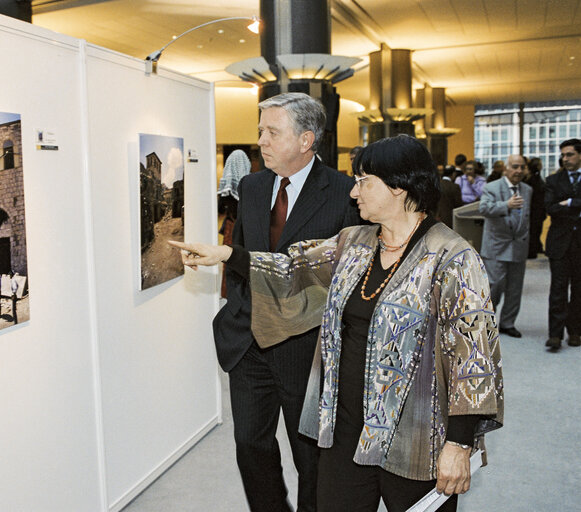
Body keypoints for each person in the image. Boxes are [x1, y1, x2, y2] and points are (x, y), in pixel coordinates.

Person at [171, 134, 503, 512]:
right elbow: (292, 268)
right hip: (345, 429)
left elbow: (474, 361)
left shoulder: (453, 258)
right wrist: (227, 253)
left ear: (398, 186)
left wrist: (458, 445)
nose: (353, 192)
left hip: (417, 437)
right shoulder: (354, 242)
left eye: (364, 181)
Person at [210, 92, 359, 512]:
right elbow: (243, 258)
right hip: (249, 343)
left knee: (309, 456)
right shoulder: (252, 186)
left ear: (306, 139)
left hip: (306, 349)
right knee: (249, 446)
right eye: (261, 131)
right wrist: (241, 313)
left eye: (273, 132)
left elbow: (342, 277)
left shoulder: (345, 193)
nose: (262, 140)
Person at [478, 154, 531, 338]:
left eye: (521, 167)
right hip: (496, 247)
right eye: (515, 167)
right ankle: (486, 324)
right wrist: (506, 205)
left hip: (518, 246)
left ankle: (508, 323)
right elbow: (483, 209)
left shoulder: (527, 190)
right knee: (494, 287)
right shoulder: (491, 187)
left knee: (515, 288)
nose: (518, 171)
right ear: (506, 169)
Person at [544, 138, 581, 351]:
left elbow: (559, 207)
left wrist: (567, 203)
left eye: (570, 154)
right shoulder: (553, 181)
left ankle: (575, 331)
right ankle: (555, 335)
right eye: (563, 155)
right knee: (558, 289)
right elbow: (550, 208)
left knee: (578, 289)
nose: (565, 159)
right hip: (560, 244)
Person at [218, 149, 251, 298]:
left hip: (231, 229)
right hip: (248, 231)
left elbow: (220, 208)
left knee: (230, 261)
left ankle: (229, 294)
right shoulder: (253, 186)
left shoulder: (227, 187)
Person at [524, 157, 546, 258]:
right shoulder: (534, 180)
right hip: (535, 210)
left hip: (536, 209)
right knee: (534, 231)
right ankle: (531, 251)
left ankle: (535, 248)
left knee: (535, 231)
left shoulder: (531, 178)